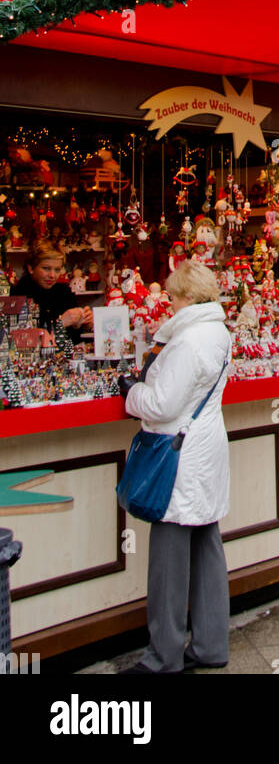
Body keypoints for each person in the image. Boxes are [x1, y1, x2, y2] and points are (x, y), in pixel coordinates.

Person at [117, 259, 231, 674]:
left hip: (178, 454)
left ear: (186, 296)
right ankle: (210, 644)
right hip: (205, 447)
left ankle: (163, 655)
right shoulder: (217, 332)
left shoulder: (188, 341)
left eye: (172, 294)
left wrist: (133, 395)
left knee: (168, 558)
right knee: (206, 546)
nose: (168, 300)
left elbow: (163, 404)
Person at [12, 241, 92, 340]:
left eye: (57, 270)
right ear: (31, 268)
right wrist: (60, 323)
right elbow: (21, 338)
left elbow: (74, 339)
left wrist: (83, 323)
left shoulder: (63, 292)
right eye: (46, 268)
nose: (52, 275)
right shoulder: (18, 295)